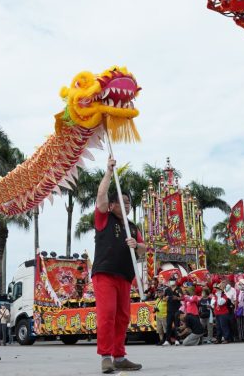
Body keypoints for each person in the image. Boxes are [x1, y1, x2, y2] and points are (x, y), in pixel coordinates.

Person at [91, 155, 145, 373]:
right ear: (112, 205)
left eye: (130, 202)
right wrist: (108, 172)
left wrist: (137, 245)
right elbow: (101, 195)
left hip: (124, 276)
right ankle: (105, 356)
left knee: (123, 317)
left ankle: (120, 356)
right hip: (104, 273)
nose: (128, 205)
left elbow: (143, 250)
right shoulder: (104, 218)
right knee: (107, 314)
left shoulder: (133, 227)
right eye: (123, 201)